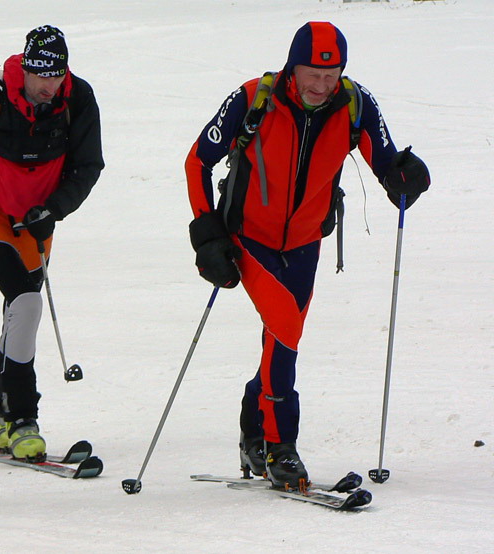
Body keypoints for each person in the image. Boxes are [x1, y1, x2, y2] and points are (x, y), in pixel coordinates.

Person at [184, 22, 430, 489]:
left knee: (282, 339)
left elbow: (386, 161)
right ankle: (281, 448)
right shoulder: (253, 97)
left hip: (304, 241)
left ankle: (254, 429)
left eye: (331, 74)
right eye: (312, 74)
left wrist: (405, 178)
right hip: (248, 238)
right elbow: (198, 159)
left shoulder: (354, 103)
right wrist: (207, 233)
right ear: (292, 67)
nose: (322, 85)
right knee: (286, 330)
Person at [0, 25, 104, 461]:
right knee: (26, 302)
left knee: (20, 312)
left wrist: (55, 209)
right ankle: (21, 415)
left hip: (38, 219)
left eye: (57, 75)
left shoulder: (78, 98)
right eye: (41, 75)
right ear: (25, 68)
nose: (49, 85)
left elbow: (88, 165)